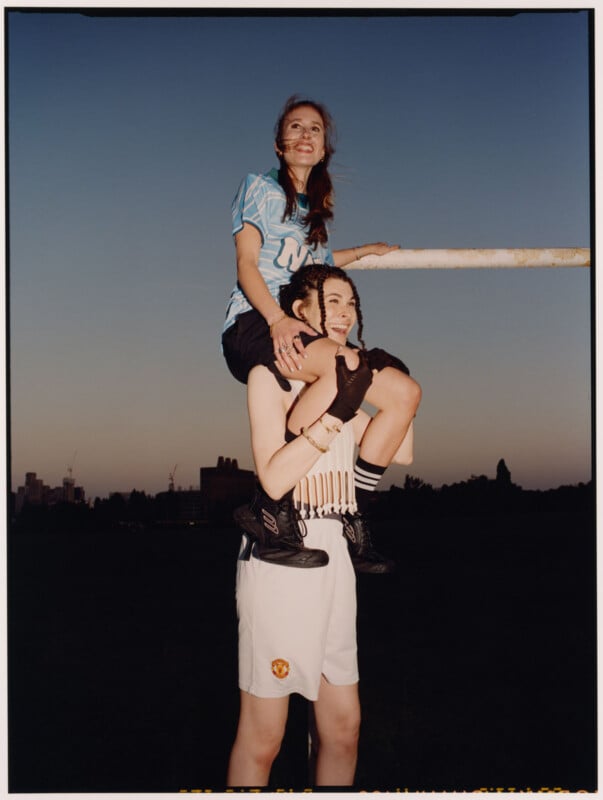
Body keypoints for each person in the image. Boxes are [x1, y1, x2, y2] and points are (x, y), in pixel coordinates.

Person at [226, 264, 414, 788]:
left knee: (344, 728)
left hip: (337, 549)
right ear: (300, 313)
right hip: (284, 553)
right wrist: (339, 410)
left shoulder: (348, 377)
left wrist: (389, 383)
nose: (346, 313)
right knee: (264, 736)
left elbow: (404, 450)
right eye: (333, 301)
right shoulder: (270, 376)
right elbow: (274, 478)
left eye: (352, 304)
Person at [222, 95, 421, 571]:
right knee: (347, 364)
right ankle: (269, 507)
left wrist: (364, 251)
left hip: (293, 324)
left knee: (402, 392)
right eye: (296, 127)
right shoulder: (260, 188)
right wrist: (277, 319)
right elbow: (248, 266)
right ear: (279, 144)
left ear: (325, 147)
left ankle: (353, 511)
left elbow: (319, 265)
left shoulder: (312, 212)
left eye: (315, 129)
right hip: (254, 322)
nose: (306, 135)